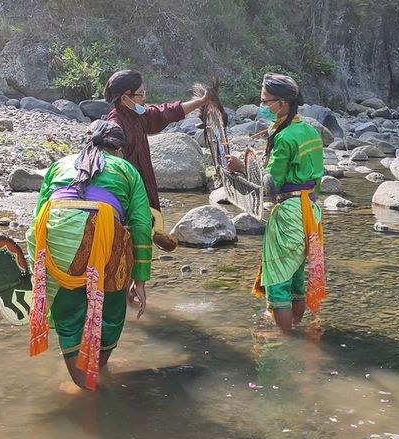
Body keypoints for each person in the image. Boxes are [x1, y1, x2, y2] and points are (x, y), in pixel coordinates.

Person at [26, 120, 153, 391]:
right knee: (110, 308)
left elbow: (37, 217)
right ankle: (92, 384)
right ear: (119, 149)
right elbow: (142, 225)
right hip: (104, 233)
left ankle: (84, 382)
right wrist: (140, 279)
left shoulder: (59, 164)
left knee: (68, 309)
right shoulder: (127, 169)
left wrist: (38, 276)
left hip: (55, 235)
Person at [227, 73, 326, 332]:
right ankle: (296, 329)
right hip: (310, 210)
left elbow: (271, 183)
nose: (262, 106)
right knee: (295, 277)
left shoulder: (284, 137)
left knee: (278, 281)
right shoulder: (310, 131)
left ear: (281, 104)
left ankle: (285, 343)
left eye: (265, 101)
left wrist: (242, 168)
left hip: (290, 211)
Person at [103, 69, 209, 251]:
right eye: (141, 94)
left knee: (140, 250)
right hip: (128, 202)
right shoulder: (115, 127)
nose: (144, 98)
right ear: (125, 97)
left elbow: (165, 112)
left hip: (141, 199)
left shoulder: (137, 116)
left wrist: (200, 102)